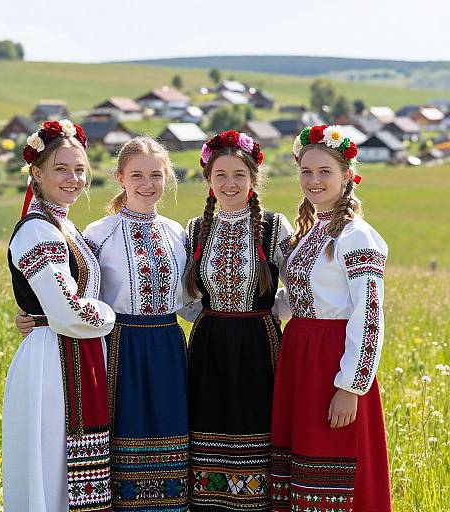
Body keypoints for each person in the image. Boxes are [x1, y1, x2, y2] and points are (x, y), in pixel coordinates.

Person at [17, 136, 190, 512]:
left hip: (168, 345)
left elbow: (189, 300)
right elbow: (75, 288)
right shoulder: (98, 232)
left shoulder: (179, 233)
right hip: (118, 346)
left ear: (168, 178)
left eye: (156, 175)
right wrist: (35, 316)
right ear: (120, 178)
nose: (147, 184)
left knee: (173, 433)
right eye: (138, 175)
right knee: (119, 441)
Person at [270, 125, 391, 512]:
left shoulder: (358, 236)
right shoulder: (312, 231)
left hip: (333, 362)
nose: (314, 180)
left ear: (346, 176)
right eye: (307, 171)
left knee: (337, 467)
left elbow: (368, 315)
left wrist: (351, 387)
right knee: (302, 469)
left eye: (325, 172)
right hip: (301, 356)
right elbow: (304, 296)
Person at [4, 120, 116, 512]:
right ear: (36, 173)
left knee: (70, 469)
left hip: (73, 354)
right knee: (53, 468)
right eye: (61, 169)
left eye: (80, 169)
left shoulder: (62, 225)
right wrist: (110, 315)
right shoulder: (39, 231)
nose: (73, 178)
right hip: (54, 361)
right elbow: (68, 312)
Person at [183, 130, 293, 512]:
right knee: (209, 423)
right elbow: (180, 295)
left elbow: (300, 285)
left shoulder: (275, 227)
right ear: (209, 181)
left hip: (259, 343)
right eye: (221, 176)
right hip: (209, 343)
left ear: (253, 179)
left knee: (255, 424)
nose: (230, 184)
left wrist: (272, 313)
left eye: (239, 175)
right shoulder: (196, 229)